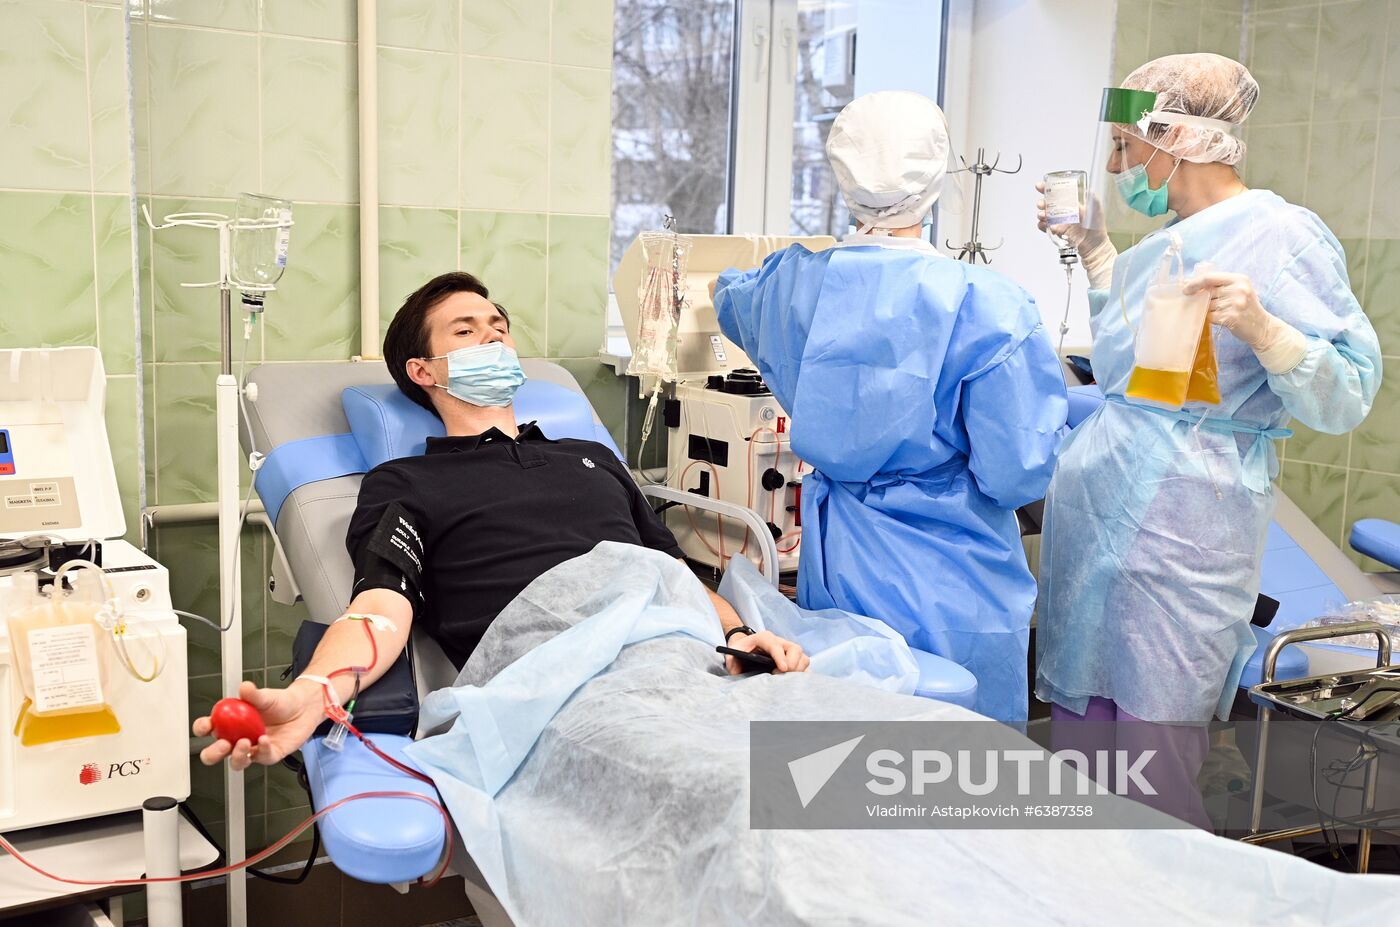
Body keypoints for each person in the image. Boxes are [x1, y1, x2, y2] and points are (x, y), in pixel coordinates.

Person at [195, 272, 809, 770]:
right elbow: (380, 606)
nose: (492, 338)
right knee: (772, 791)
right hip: (565, 695)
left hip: (693, 665)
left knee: (853, 758)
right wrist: (314, 691)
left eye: (499, 328)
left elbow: (671, 572)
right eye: (466, 331)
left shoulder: (592, 457)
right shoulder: (405, 482)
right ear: (424, 370)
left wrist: (738, 636)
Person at [1034, 54, 1382, 827]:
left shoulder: (1281, 236)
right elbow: (1132, 372)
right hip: (1096, 534)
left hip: (1184, 540)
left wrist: (1267, 330)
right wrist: (1096, 252)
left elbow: (1348, 392)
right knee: (1080, 770)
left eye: (1125, 146)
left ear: (1178, 137)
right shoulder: (1165, 245)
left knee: (1154, 774)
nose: (1116, 168)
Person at [711, 91, 1068, 727]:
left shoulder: (786, 285)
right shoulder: (988, 304)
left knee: (849, 735)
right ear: (936, 178)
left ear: (843, 176)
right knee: (958, 747)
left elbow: (729, 296)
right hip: (955, 569)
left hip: (840, 555)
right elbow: (1015, 473)